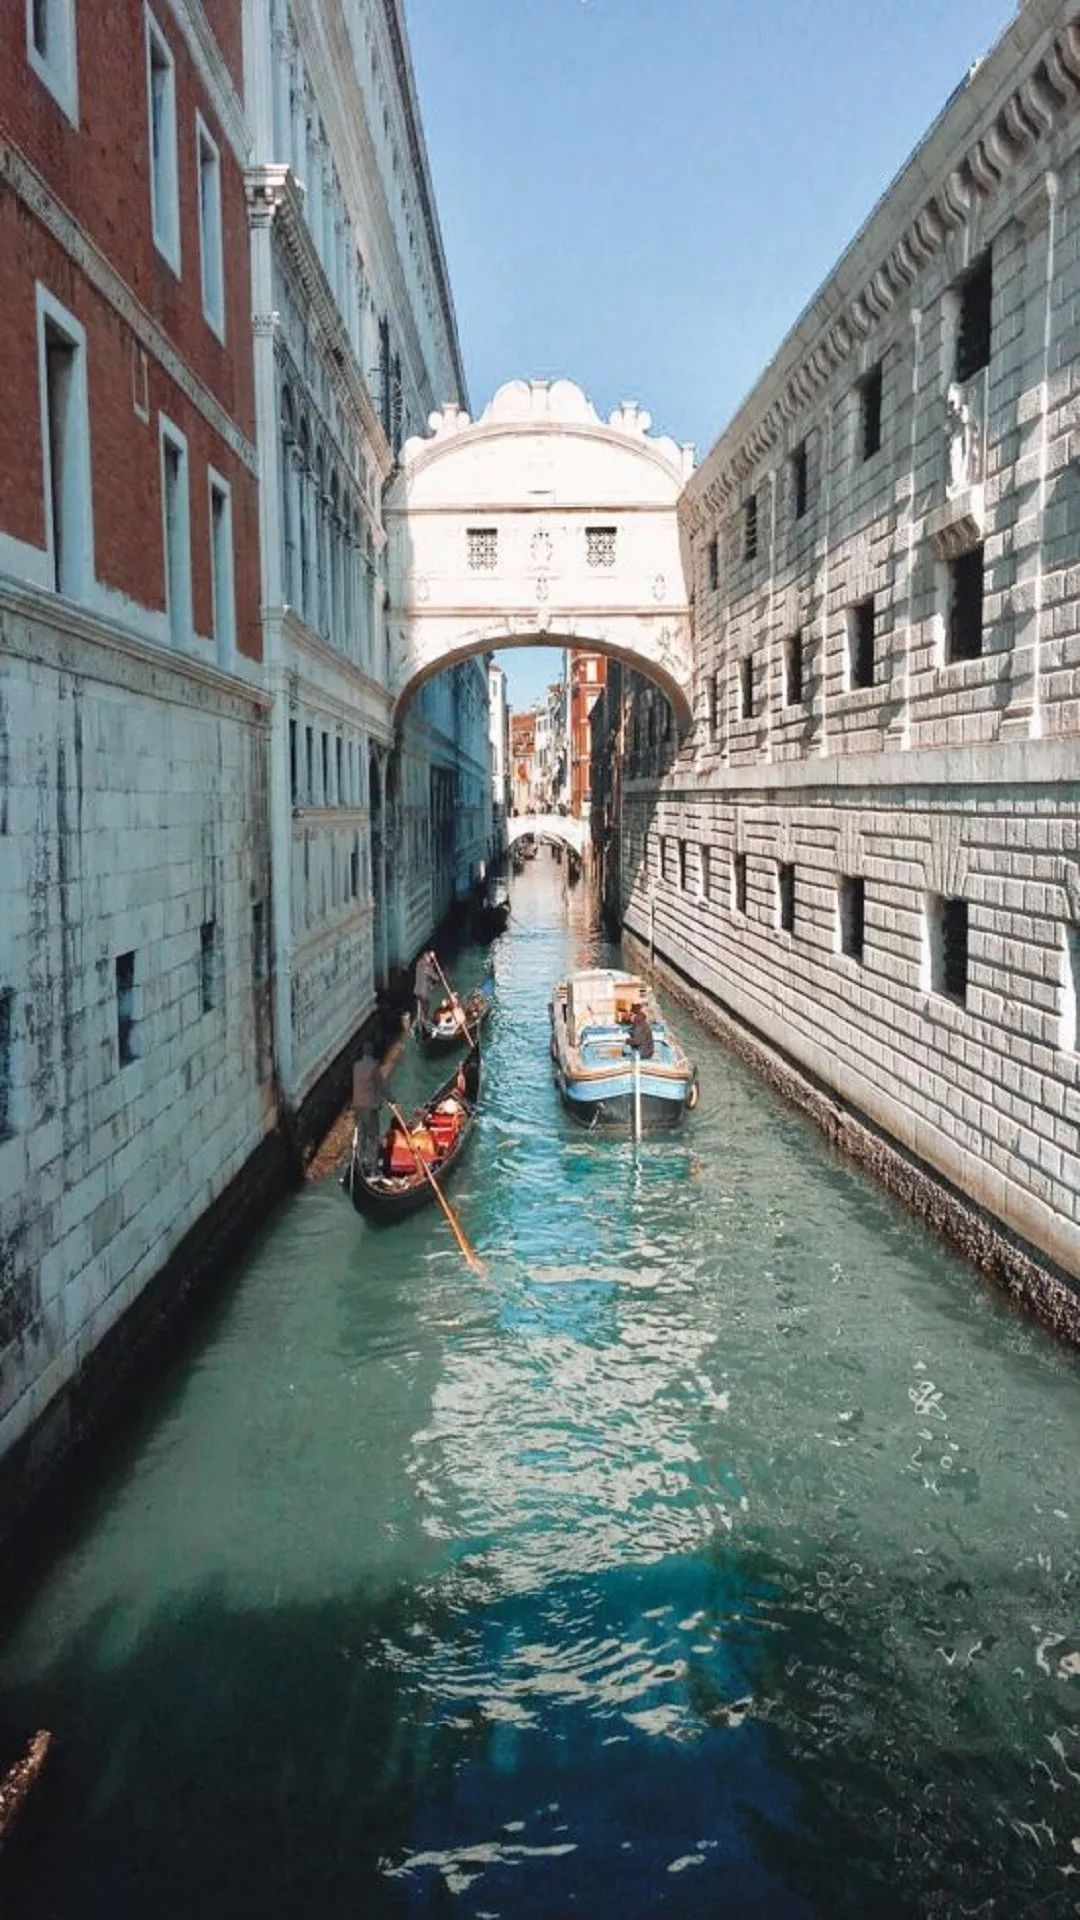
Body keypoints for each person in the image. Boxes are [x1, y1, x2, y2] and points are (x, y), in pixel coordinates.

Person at [352, 1038, 386, 1167]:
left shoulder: (356, 1067)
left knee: (362, 1136)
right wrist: (391, 1100)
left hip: (359, 1108)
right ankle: (373, 1165)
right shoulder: (374, 1067)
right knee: (373, 1137)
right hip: (371, 1109)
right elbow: (381, 1087)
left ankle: (359, 1163)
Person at [413, 949, 437, 1026]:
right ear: (427, 957)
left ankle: (418, 1021)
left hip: (417, 991)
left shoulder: (418, 963)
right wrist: (441, 975)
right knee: (426, 1007)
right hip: (424, 993)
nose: (430, 960)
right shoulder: (428, 967)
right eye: (430, 958)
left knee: (419, 1008)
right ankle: (424, 1022)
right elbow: (436, 978)